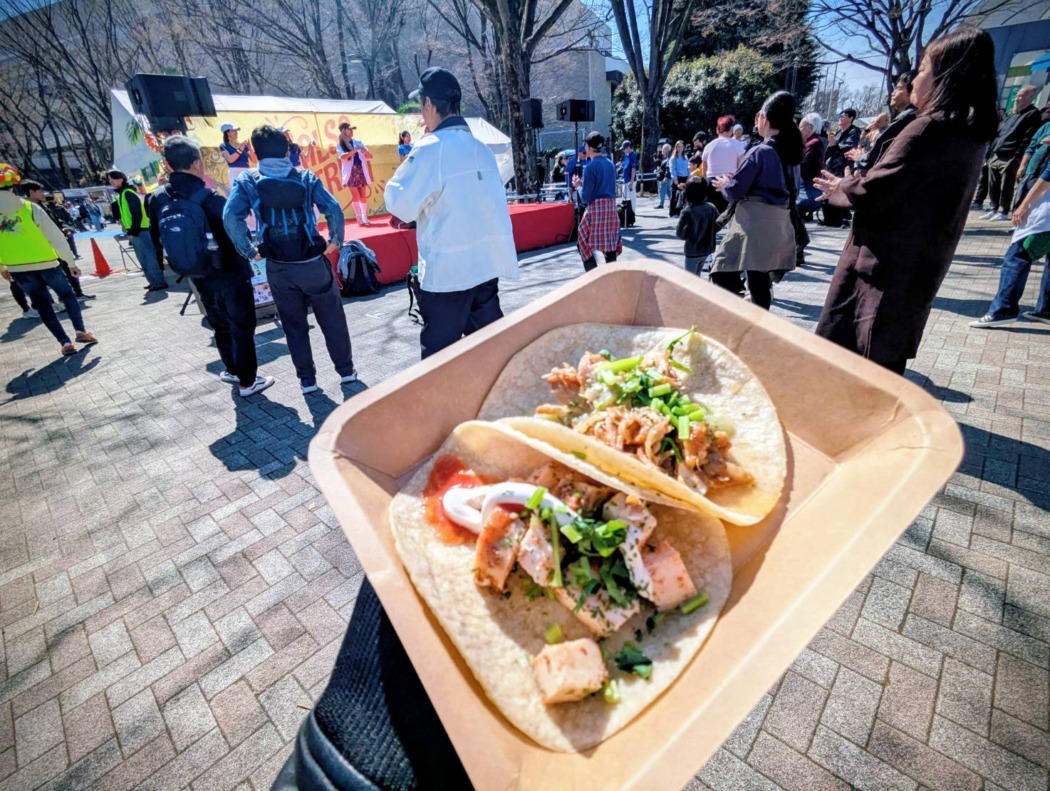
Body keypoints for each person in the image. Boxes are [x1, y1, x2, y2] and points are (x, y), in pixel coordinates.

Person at [814, 26, 998, 374]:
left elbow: (877, 191)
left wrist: (843, 186)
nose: (914, 80)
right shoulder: (969, 131)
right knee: (884, 366)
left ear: (946, 77)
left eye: (924, 68)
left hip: (880, 271)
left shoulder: (928, 128)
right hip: (915, 273)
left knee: (852, 366)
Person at [385, 67, 519, 358]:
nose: (422, 113)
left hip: (447, 276)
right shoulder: (481, 149)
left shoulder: (430, 149)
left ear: (429, 104)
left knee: (440, 361)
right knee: (493, 351)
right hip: (485, 267)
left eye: (421, 106)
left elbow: (397, 202)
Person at [224, 124, 358, 394]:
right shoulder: (305, 177)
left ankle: (307, 381)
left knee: (294, 326)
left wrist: (249, 250)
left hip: (278, 267)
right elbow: (333, 208)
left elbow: (230, 217)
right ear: (287, 151)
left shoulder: (248, 180)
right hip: (312, 263)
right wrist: (335, 240)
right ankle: (346, 372)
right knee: (332, 319)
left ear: (255, 153)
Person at [149, 135, 274, 397]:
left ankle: (232, 370)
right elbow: (235, 232)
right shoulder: (210, 198)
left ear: (168, 165)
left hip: (196, 272)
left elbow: (156, 237)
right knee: (242, 326)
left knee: (219, 324)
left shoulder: (158, 199)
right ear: (197, 163)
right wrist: (250, 252)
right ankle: (248, 381)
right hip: (229, 272)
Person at [709, 91, 802, 309]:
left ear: (765, 119)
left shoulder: (760, 151)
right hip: (780, 224)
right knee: (759, 281)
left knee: (721, 272)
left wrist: (724, 184)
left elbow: (735, 190)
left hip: (754, 225)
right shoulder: (792, 153)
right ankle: (759, 322)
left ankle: (737, 317)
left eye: (759, 115)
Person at [0, 164, 98, 355]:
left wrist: (2, 266)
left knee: (43, 305)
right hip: (47, 262)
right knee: (68, 296)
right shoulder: (29, 208)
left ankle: (65, 343)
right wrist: (70, 262)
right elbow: (55, 237)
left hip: (17, 267)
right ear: (13, 186)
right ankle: (80, 331)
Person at [969, 161, 1050, 328]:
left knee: (1018, 255)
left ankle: (1003, 310)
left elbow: (1048, 175)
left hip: (1045, 215)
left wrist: (1024, 204)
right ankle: (1046, 310)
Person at [22, 181, 93, 302]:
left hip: (57, 243)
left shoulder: (43, 206)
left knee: (68, 266)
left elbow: (57, 221)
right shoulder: (27, 209)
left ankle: (77, 294)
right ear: (31, 192)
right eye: (40, 191)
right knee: (54, 275)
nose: (43, 193)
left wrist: (65, 228)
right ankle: (61, 300)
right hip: (45, 247)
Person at [982, 85, 1041, 222]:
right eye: (1017, 95)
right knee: (993, 184)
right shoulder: (1012, 114)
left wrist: (1017, 157)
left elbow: (1027, 138)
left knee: (1006, 185)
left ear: (1030, 97)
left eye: (1021, 96)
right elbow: (999, 134)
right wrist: (991, 153)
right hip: (997, 154)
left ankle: (1003, 210)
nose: (1017, 98)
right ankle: (993, 208)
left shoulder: (1032, 114)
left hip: (1011, 156)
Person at [107, 169, 167, 290]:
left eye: (112, 179)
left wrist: (133, 230)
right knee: (143, 258)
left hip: (140, 230)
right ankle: (153, 281)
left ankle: (158, 282)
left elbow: (137, 213)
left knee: (148, 258)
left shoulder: (128, 193)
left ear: (121, 179)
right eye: (109, 180)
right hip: (137, 230)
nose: (111, 182)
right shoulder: (123, 194)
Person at [573, 131, 622, 272]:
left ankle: (594, 275)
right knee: (610, 246)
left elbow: (586, 197)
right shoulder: (610, 164)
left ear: (588, 147)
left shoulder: (589, 167)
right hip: (611, 208)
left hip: (596, 209)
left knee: (582, 242)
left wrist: (578, 187)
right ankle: (612, 276)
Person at [852, 72, 917, 175]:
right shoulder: (911, 115)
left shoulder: (908, 117)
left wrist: (861, 159)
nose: (893, 93)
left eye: (899, 88)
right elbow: (862, 141)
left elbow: (880, 148)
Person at [702, 115, 747, 213]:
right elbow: (741, 168)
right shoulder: (738, 145)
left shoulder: (708, 146)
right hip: (729, 181)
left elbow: (704, 172)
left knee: (712, 216)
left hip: (711, 183)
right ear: (731, 129)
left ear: (717, 129)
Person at [1010, 101, 1050, 210]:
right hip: (1032, 170)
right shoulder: (1046, 126)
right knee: (1020, 202)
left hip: (1045, 178)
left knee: (1036, 206)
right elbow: (1030, 148)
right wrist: (1022, 166)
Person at [333, 121, 373, 227]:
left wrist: (365, 151)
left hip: (360, 169)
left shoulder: (358, 142)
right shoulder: (340, 145)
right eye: (349, 129)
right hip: (351, 171)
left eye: (351, 129)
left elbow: (368, 157)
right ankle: (359, 218)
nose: (351, 131)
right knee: (356, 195)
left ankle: (365, 217)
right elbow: (343, 157)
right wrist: (354, 151)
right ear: (343, 131)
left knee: (363, 195)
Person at [676, 176, 719, 275]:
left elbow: (680, 234)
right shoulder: (711, 208)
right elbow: (718, 224)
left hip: (692, 251)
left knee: (690, 278)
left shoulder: (687, 211)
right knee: (697, 275)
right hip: (707, 249)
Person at [797, 112, 826, 217]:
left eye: (801, 127)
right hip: (807, 184)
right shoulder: (812, 141)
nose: (799, 129)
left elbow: (804, 165)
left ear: (811, 127)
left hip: (808, 186)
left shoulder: (814, 143)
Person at [668, 140, 691, 217]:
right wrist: (675, 179)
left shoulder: (685, 157)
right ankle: (673, 212)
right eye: (678, 146)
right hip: (677, 178)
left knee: (683, 195)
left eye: (681, 146)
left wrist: (688, 177)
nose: (680, 148)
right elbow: (672, 169)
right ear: (676, 147)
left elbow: (688, 168)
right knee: (675, 195)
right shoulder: (673, 158)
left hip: (685, 178)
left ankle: (681, 212)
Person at [620, 140, 638, 215]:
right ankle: (626, 211)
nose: (623, 150)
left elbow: (633, 169)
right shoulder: (627, 155)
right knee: (624, 196)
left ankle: (633, 211)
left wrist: (631, 181)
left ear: (628, 147)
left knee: (631, 196)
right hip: (625, 179)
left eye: (624, 148)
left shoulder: (633, 155)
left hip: (630, 180)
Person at [656, 143, 673, 209]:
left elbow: (668, 168)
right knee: (668, 190)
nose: (662, 150)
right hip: (666, 176)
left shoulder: (669, 158)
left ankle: (661, 204)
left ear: (667, 150)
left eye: (663, 149)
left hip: (666, 176)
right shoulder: (665, 157)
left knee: (662, 189)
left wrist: (666, 176)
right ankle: (673, 202)